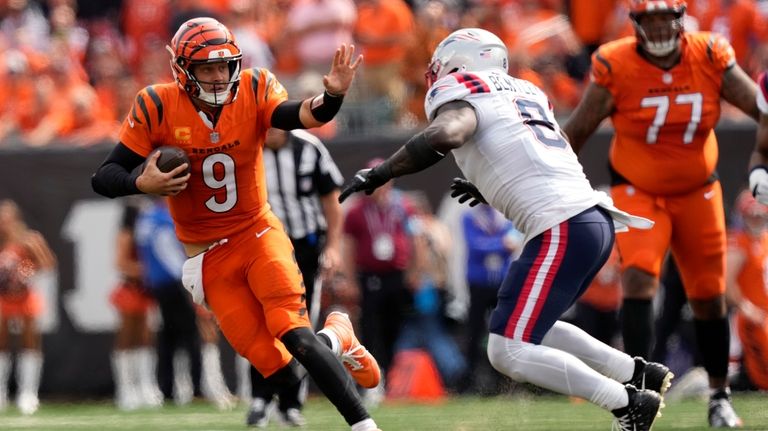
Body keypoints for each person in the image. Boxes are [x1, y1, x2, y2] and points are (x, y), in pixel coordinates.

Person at [338, 27, 671, 431]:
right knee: (526, 326)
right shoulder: (525, 91)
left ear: (461, 63)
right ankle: (636, 373)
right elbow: (537, 145)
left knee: (506, 350)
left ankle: (626, 403)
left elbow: (447, 133)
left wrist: (383, 172)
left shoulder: (466, 88)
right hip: (590, 219)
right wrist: (487, 181)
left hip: (562, 223)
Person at [90, 17, 381, 431]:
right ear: (182, 70)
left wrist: (331, 96)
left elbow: (300, 116)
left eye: (223, 66)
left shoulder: (254, 87)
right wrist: (141, 180)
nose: (217, 76)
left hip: (257, 233)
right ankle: (338, 337)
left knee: (293, 332)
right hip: (206, 257)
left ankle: (364, 426)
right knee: (276, 368)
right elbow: (103, 177)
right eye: (206, 68)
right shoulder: (156, 103)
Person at [561, 1, 758, 427]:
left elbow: (762, 108)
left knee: (708, 294)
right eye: (649, 19)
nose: (659, 27)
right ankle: (636, 397)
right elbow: (575, 131)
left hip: (697, 189)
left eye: (665, 18)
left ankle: (719, 395)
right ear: (635, 23)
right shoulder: (616, 63)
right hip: (638, 190)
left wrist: (761, 161)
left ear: (680, 18)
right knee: (638, 277)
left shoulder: (707, 54)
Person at [245, 127, 345, 427]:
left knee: (299, 327)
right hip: (262, 249)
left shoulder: (309, 148)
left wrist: (334, 247)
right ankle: (260, 398)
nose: (273, 129)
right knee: (260, 324)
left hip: (304, 248)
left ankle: (290, 403)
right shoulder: (247, 146)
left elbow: (331, 199)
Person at [133, 198, 204, 405]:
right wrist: (186, 281)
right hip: (173, 282)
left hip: (156, 284)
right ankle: (196, 388)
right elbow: (169, 254)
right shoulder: (165, 218)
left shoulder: (145, 218)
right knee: (190, 336)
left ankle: (167, 389)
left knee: (167, 337)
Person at [0, 200, 56, 415]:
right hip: (4, 297)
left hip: (26, 296)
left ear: (15, 219)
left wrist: (26, 271)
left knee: (29, 339)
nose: (3, 223)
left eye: (6, 218)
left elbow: (48, 263)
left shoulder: (29, 239)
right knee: (2, 339)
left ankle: (28, 393)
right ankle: (2, 393)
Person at [110, 198, 163, 411]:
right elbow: (121, 264)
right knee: (127, 337)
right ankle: (125, 388)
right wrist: (146, 271)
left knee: (146, 337)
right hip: (130, 289)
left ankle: (146, 385)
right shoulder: (126, 234)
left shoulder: (147, 233)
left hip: (146, 291)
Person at [724, 190, 768, 392]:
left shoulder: (764, 240)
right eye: (752, 215)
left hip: (763, 314)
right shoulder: (739, 242)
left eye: (760, 215)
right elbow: (727, 280)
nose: (756, 219)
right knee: (746, 371)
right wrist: (745, 306)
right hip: (747, 316)